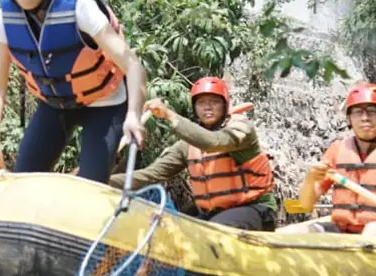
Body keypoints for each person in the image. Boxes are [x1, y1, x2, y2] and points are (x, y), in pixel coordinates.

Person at [0, 0, 146, 182]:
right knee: (23, 179)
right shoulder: (4, 20)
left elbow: (133, 65)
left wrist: (133, 114)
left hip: (105, 102)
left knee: (90, 185)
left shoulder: (80, 8)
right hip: (54, 104)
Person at [110, 76, 277, 230]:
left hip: (255, 209)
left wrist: (169, 115)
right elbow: (151, 174)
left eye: (214, 102)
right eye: (201, 102)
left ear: (225, 105)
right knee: (165, 228)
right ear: (195, 108)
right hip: (212, 212)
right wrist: (100, 179)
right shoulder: (187, 146)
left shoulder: (242, 130)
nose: (208, 107)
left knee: (213, 229)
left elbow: (213, 142)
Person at [290, 83, 376, 237]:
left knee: (374, 231)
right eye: (358, 112)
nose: (365, 118)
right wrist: (310, 179)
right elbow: (306, 204)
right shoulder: (337, 150)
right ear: (349, 118)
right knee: (291, 232)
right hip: (342, 231)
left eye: (373, 112)